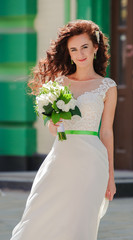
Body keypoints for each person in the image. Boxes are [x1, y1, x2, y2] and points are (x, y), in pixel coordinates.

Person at [10, 19, 117, 240]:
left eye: (85, 47)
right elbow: (52, 126)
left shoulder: (108, 86)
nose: (80, 54)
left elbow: (106, 131)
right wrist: (53, 124)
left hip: (92, 163)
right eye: (74, 49)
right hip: (61, 159)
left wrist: (111, 177)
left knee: (79, 220)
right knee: (38, 215)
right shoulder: (59, 83)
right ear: (68, 53)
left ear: (95, 47)